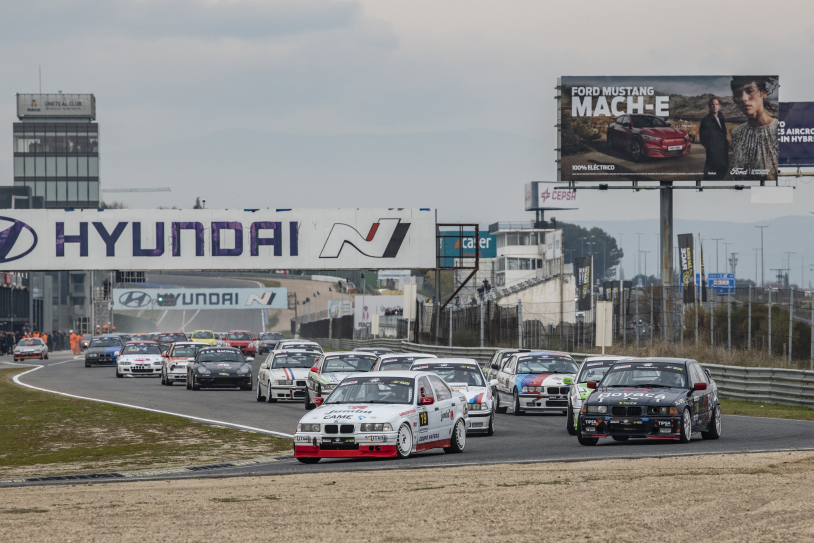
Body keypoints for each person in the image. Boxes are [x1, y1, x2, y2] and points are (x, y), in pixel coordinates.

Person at [729, 76, 779, 180]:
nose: (744, 98)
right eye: (738, 94)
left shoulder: (780, 130)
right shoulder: (737, 133)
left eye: (750, 91)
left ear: (763, 93)